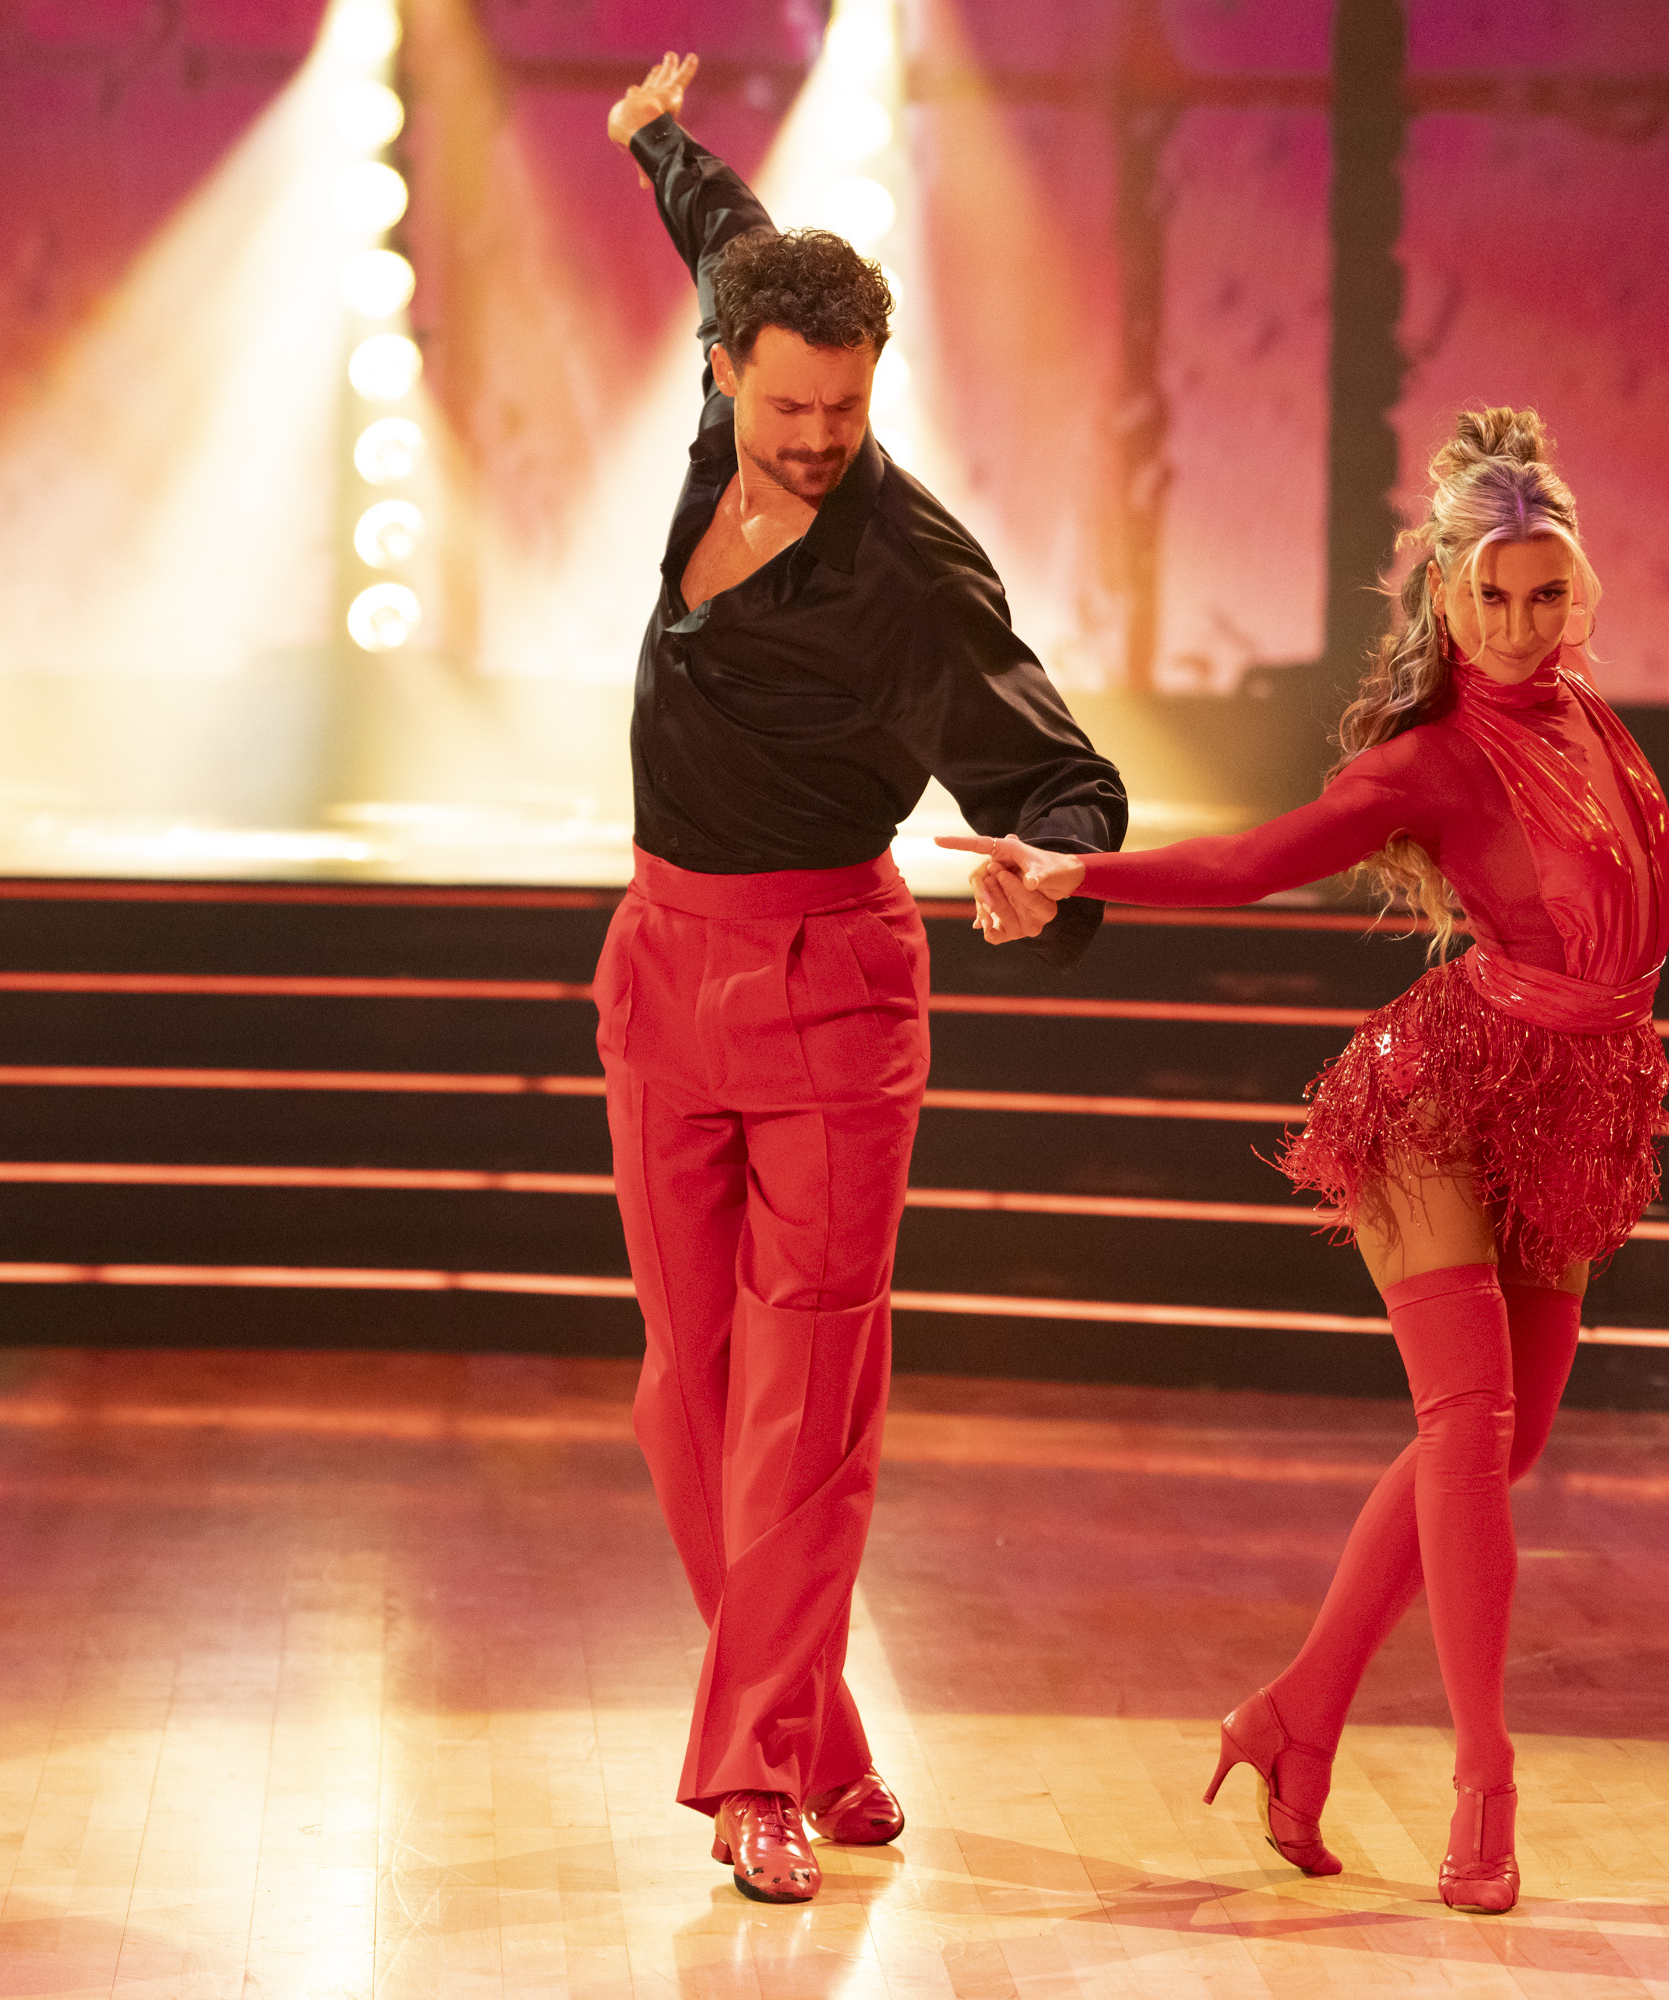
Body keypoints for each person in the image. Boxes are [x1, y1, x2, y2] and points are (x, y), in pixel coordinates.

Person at [944, 408, 1669, 1915]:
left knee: (1510, 1442)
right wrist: (1079, 869)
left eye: (1547, 593)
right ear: (1445, 600)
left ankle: (1294, 1714)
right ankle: (1484, 1789)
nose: (1522, 625)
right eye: (1492, 597)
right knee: (1468, 1426)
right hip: (1442, 1094)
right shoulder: (1436, 758)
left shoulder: (1593, 719)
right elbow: (1255, 859)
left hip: (1580, 1092)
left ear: (1577, 588)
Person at [597, 53, 1128, 1904]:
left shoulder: (908, 567)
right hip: (661, 966)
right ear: (728, 370)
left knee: (802, 1403)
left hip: (832, 985)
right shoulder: (730, 373)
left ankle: (757, 1775)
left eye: (849, 405)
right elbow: (722, 228)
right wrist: (654, 139)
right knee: (687, 1385)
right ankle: (818, 1727)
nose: (822, 435)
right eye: (793, 402)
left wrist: (1047, 870)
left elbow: (1064, 780)